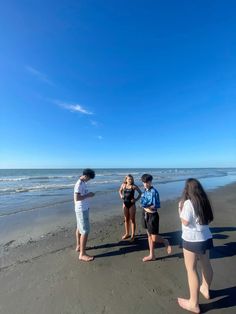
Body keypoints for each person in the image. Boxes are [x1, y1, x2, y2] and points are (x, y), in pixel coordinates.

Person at [178, 178, 214, 313]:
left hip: (191, 239)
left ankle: (193, 303)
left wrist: (180, 209)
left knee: (191, 269)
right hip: (205, 237)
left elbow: (185, 222)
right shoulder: (204, 201)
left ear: (187, 190)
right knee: (206, 264)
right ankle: (206, 288)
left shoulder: (187, 203)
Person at [140, 173, 171, 262]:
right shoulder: (144, 190)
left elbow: (156, 205)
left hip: (152, 216)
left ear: (150, 182)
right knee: (149, 235)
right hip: (145, 213)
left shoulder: (154, 192)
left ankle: (165, 241)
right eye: (144, 182)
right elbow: (142, 201)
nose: (145, 184)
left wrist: (150, 206)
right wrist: (144, 205)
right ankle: (152, 255)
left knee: (154, 237)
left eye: (147, 182)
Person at [74, 168, 95, 262]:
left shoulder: (83, 183)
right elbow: (77, 197)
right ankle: (82, 254)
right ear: (86, 176)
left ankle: (79, 246)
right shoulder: (79, 184)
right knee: (85, 231)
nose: (89, 180)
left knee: (79, 228)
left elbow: (78, 198)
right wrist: (89, 195)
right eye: (89, 178)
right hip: (81, 210)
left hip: (82, 209)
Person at [119, 174, 142, 241]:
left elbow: (140, 193)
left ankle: (132, 235)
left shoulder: (134, 186)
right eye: (129, 179)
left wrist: (136, 199)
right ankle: (127, 233)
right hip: (125, 204)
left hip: (132, 204)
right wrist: (121, 195)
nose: (130, 180)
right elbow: (119, 191)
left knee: (132, 220)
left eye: (131, 179)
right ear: (126, 179)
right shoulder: (123, 185)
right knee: (126, 219)